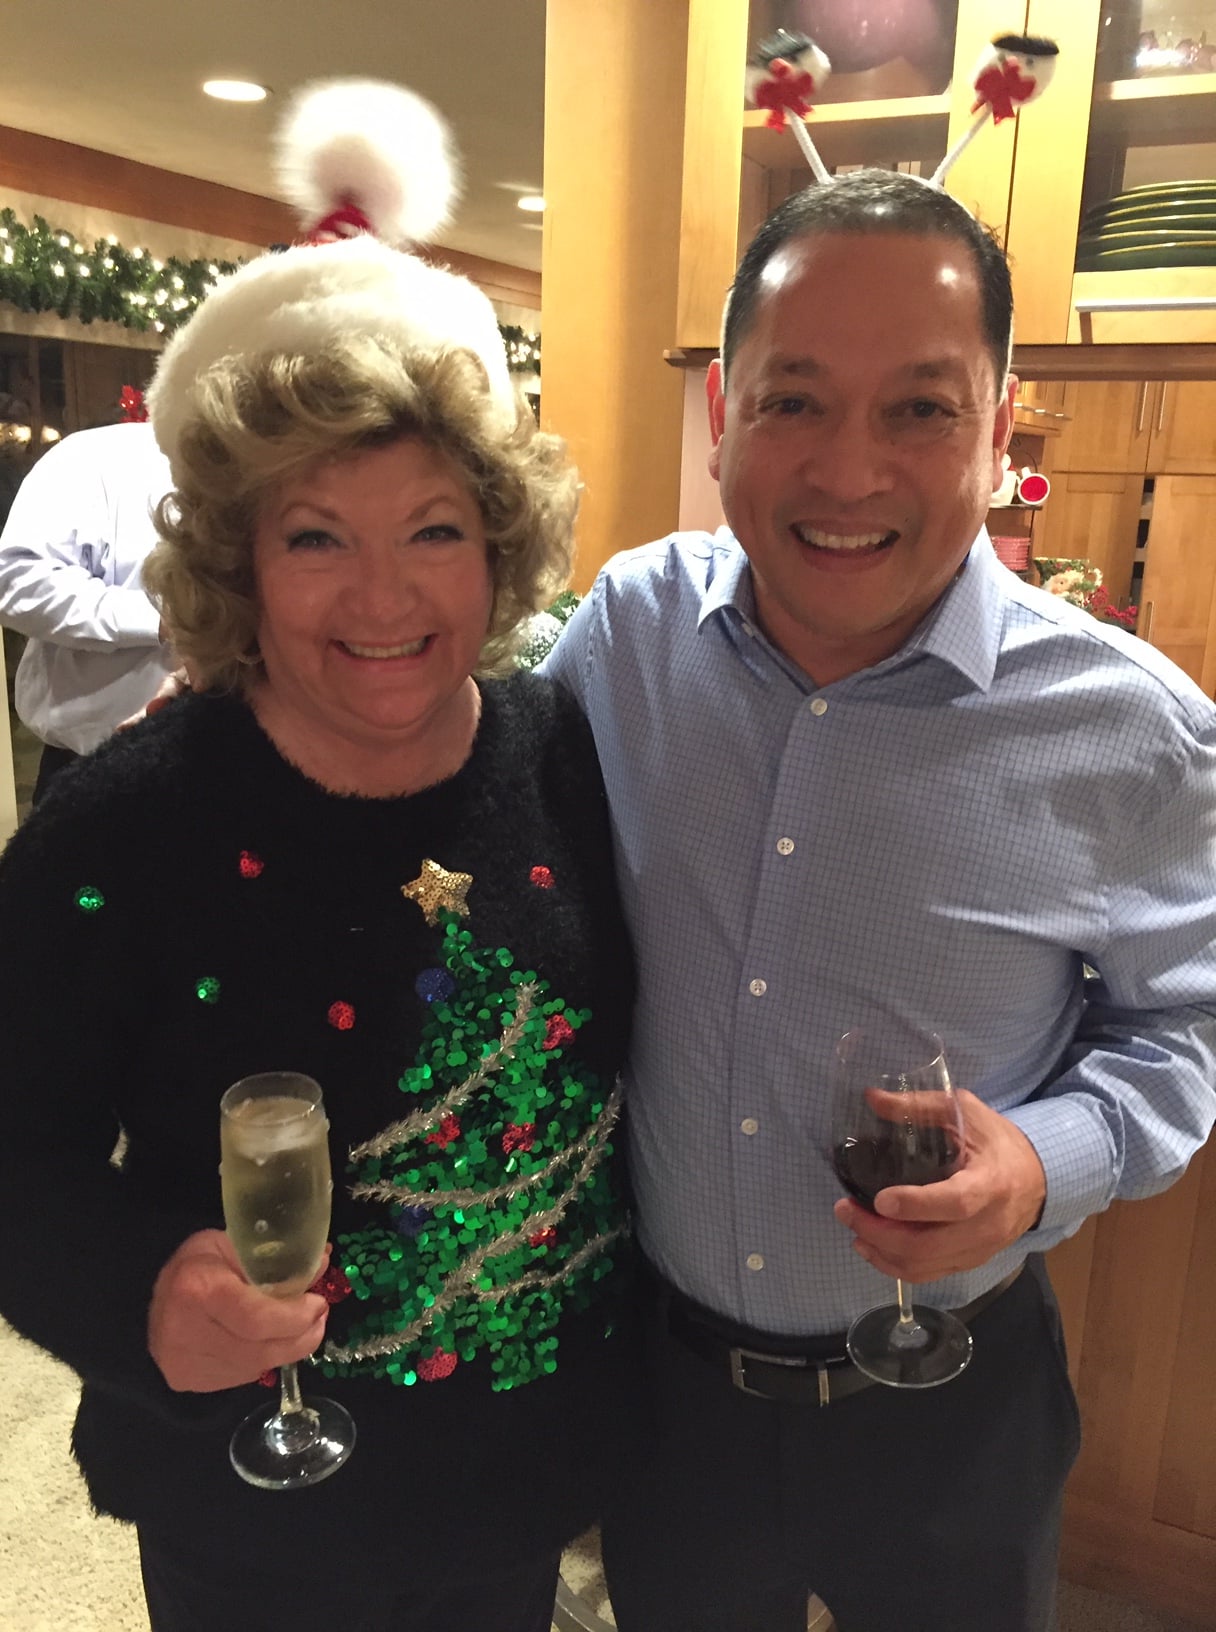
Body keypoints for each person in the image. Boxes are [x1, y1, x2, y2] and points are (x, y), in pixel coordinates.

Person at [0, 80, 642, 1632]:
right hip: (248, 1511)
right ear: (237, 560)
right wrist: (137, 1296)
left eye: (433, 529)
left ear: (498, 544)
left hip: (518, 1487)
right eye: (313, 537)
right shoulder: (125, 822)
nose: (382, 596)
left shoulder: (565, 747)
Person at [544, 170, 1216, 1632]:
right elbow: (486, 844)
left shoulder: (1133, 731)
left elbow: (1187, 1032)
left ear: (998, 425)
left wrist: (1040, 1163)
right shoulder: (625, 636)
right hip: (667, 1396)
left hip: (958, 1406)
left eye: (919, 408)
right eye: (794, 400)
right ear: (722, 410)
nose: (848, 473)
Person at [0, 417, 176, 802]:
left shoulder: (279, 467)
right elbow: (16, 580)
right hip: (96, 769)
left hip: (252, 762)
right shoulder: (95, 457)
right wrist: (161, 619)